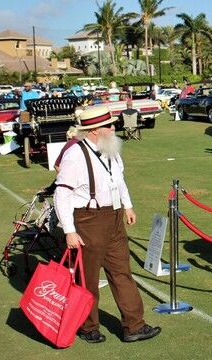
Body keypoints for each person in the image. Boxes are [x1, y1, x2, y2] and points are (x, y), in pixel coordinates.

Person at [53, 106, 161, 344]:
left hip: (114, 217)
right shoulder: (75, 155)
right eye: (108, 126)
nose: (114, 128)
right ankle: (88, 326)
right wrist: (69, 231)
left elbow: (118, 180)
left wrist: (128, 206)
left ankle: (134, 326)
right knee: (87, 278)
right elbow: (61, 195)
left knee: (122, 272)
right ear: (93, 131)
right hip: (87, 220)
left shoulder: (110, 149)